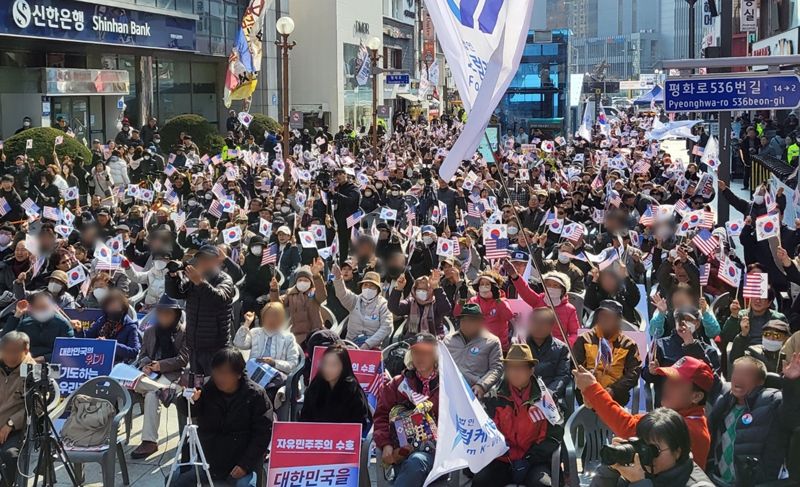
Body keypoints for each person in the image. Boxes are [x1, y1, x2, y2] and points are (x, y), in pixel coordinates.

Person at [575, 355, 713, 470]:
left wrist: (593, 390)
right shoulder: (682, 416)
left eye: (676, 383)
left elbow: (629, 428)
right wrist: (595, 400)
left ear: (696, 396)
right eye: (668, 380)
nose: (667, 386)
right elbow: (635, 421)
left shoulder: (690, 428)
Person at [174, 348, 272, 487]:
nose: (220, 378)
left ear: (238, 374)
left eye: (225, 373)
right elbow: (191, 412)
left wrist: (244, 465)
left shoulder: (256, 395)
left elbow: (262, 435)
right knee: (175, 481)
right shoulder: (207, 389)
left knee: (244, 485)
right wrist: (189, 399)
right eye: (217, 372)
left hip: (239, 463)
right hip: (208, 462)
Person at [473, 343, 563, 487]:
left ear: (531, 370)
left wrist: (530, 458)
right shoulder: (493, 398)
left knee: (543, 485)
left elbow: (554, 433)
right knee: (481, 481)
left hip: (533, 462)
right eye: (511, 368)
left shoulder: (546, 398)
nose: (515, 373)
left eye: (520, 368)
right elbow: (485, 432)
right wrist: (501, 452)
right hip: (502, 460)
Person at [706, 356, 793, 485]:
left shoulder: (772, 402)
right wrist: (691, 345)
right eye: (736, 373)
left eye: (746, 375)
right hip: (716, 479)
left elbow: (792, 409)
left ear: (760, 381)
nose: (739, 378)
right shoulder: (725, 396)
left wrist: (792, 382)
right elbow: (707, 374)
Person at [374, 333, 439, 486]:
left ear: (435, 356)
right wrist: (385, 444)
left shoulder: (446, 384)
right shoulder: (398, 383)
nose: (420, 357)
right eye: (416, 352)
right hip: (401, 453)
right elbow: (381, 416)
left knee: (416, 462)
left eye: (426, 353)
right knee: (411, 464)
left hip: (436, 455)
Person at [588, 408, 714, 487]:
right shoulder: (637, 472)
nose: (646, 454)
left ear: (677, 452)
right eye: (642, 445)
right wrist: (610, 470)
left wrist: (639, 484)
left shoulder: (699, 485)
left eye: (654, 450)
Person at [130, 295, 187, 459]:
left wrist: (160, 365)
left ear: (176, 315)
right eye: (160, 313)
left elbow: (183, 359)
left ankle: (149, 441)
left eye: (167, 313)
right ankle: (162, 391)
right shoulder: (150, 332)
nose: (163, 317)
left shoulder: (183, 334)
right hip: (150, 376)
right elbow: (142, 355)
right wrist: (147, 365)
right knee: (132, 381)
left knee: (150, 396)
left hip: (172, 376)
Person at [165, 244, 235, 375]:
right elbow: (176, 293)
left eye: (207, 259)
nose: (203, 262)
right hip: (195, 343)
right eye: (201, 259)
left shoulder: (224, 279)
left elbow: (219, 298)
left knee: (215, 383)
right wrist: (172, 276)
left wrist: (200, 282)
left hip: (215, 345)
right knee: (196, 383)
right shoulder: (194, 279)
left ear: (215, 261)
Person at [642, 306, 721, 404]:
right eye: (679, 320)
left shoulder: (709, 351)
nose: (682, 324)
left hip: (695, 406)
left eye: (688, 320)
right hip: (667, 406)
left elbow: (713, 383)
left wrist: (691, 345)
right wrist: (652, 372)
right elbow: (646, 376)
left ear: (697, 323)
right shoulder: (660, 345)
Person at [572, 300, 642, 405]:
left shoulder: (629, 344)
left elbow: (634, 373)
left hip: (616, 395)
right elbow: (574, 365)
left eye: (610, 316)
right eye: (602, 315)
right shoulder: (584, 339)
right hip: (588, 391)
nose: (605, 319)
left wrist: (613, 390)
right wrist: (589, 378)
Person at [505, 264, 580, 345]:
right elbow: (525, 291)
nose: (551, 288)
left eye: (555, 285)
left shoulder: (570, 309)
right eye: (548, 285)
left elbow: (575, 333)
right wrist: (515, 276)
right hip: (534, 345)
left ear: (563, 290)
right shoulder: (538, 300)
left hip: (557, 349)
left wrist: (565, 345)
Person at [299, 344, 372, 428]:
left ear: (343, 367)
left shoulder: (353, 391)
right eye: (325, 364)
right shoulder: (314, 387)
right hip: (315, 438)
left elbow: (359, 424)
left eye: (333, 365)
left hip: (343, 438)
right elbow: (304, 419)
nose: (328, 369)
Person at [442, 303, 503, 398]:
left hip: (474, 392)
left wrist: (482, 385)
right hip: (449, 390)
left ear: (480, 322)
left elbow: (496, 369)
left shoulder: (492, 342)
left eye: (471, 320)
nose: (467, 324)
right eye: (464, 320)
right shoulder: (448, 340)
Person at [0, 331, 35, 484]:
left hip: (16, 429)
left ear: (25, 350)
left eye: (14, 352)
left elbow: (37, 405)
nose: (9, 356)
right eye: (5, 352)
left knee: (10, 455)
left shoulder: (34, 371)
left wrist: (11, 423)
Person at [1, 292, 74, 362]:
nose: (41, 310)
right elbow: (5, 340)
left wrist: (44, 358)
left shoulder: (63, 324)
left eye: (44, 307)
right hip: (25, 363)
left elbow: (68, 350)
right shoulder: (26, 323)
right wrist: (17, 315)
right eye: (37, 308)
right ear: (32, 309)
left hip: (53, 363)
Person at [269, 260, 327, 347]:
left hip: (315, 334)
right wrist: (274, 290)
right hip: (297, 336)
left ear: (311, 282)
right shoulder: (291, 293)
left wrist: (316, 276)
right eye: (300, 280)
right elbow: (277, 305)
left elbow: (322, 295)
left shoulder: (314, 293)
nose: (302, 282)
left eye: (305, 280)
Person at [454, 271, 514, 352]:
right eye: (481, 284)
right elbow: (457, 314)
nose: (484, 287)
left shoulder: (502, 301)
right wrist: (462, 299)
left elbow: (508, 316)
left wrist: (498, 299)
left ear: (494, 286)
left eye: (488, 284)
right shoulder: (473, 300)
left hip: (498, 348)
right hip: (476, 347)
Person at [75, 288, 140, 363]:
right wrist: (79, 330)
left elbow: (134, 351)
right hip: (96, 360)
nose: (112, 309)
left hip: (116, 364)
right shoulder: (103, 320)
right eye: (110, 307)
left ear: (122, 307)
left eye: (115, 306)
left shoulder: (130, 326)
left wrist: (111, 345)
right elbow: (87, 337)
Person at [332, 268, 392, 349]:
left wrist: (368, 344)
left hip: (373, 346)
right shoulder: (354, 300)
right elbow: (342, 294)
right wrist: (338, 279)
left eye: (372, 286)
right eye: (366, 285)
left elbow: (386, 327)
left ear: (377, 289)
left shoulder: (383, 305)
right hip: (351, 344)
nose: (368, 288)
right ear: (361, 287)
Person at [233, 301, 300, 375]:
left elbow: (293, 364)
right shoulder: (255, 332)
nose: (271, 320)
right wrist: (247, 323)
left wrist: (274, 363)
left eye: (275, 316)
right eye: (268, 316)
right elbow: (238, 344)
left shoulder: (288, 337)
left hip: (276, 377)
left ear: (281, 318)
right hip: (253, 374)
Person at [525, 307, 572, 405]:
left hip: (550, 397)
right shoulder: (520, 344)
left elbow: (562, 376)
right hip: (523, 394)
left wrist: (549, 394)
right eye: (535, 322)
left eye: (543, 322)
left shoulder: (562, 348)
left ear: (552, 326)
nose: (538, 326)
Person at [388, 269, 452, 338]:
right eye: (419, 289)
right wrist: (399, 288)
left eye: (425, 289)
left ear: (431, 290)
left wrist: (436, 287)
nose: (421, 292)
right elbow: (394, 308)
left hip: (434, 341)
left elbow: (446, 310)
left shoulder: (437, 302)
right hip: (412, 340)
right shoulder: (410, 302)